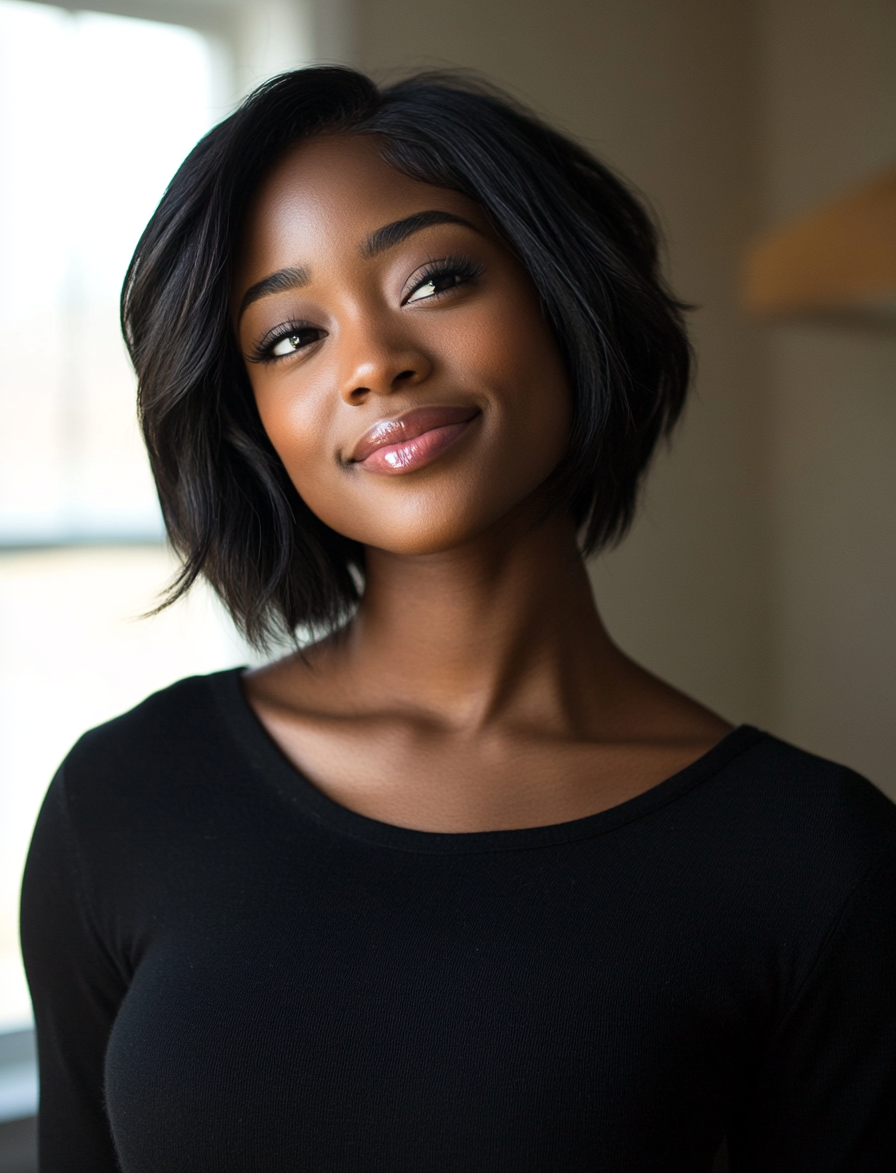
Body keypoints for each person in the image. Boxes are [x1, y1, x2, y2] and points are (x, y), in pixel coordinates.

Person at [21, 68, 896, 1172]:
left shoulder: (812, 856)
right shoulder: (123, 802)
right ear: (254, 425)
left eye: (433, 278)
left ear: (560, 296)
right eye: (290, 337)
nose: (373, 362)